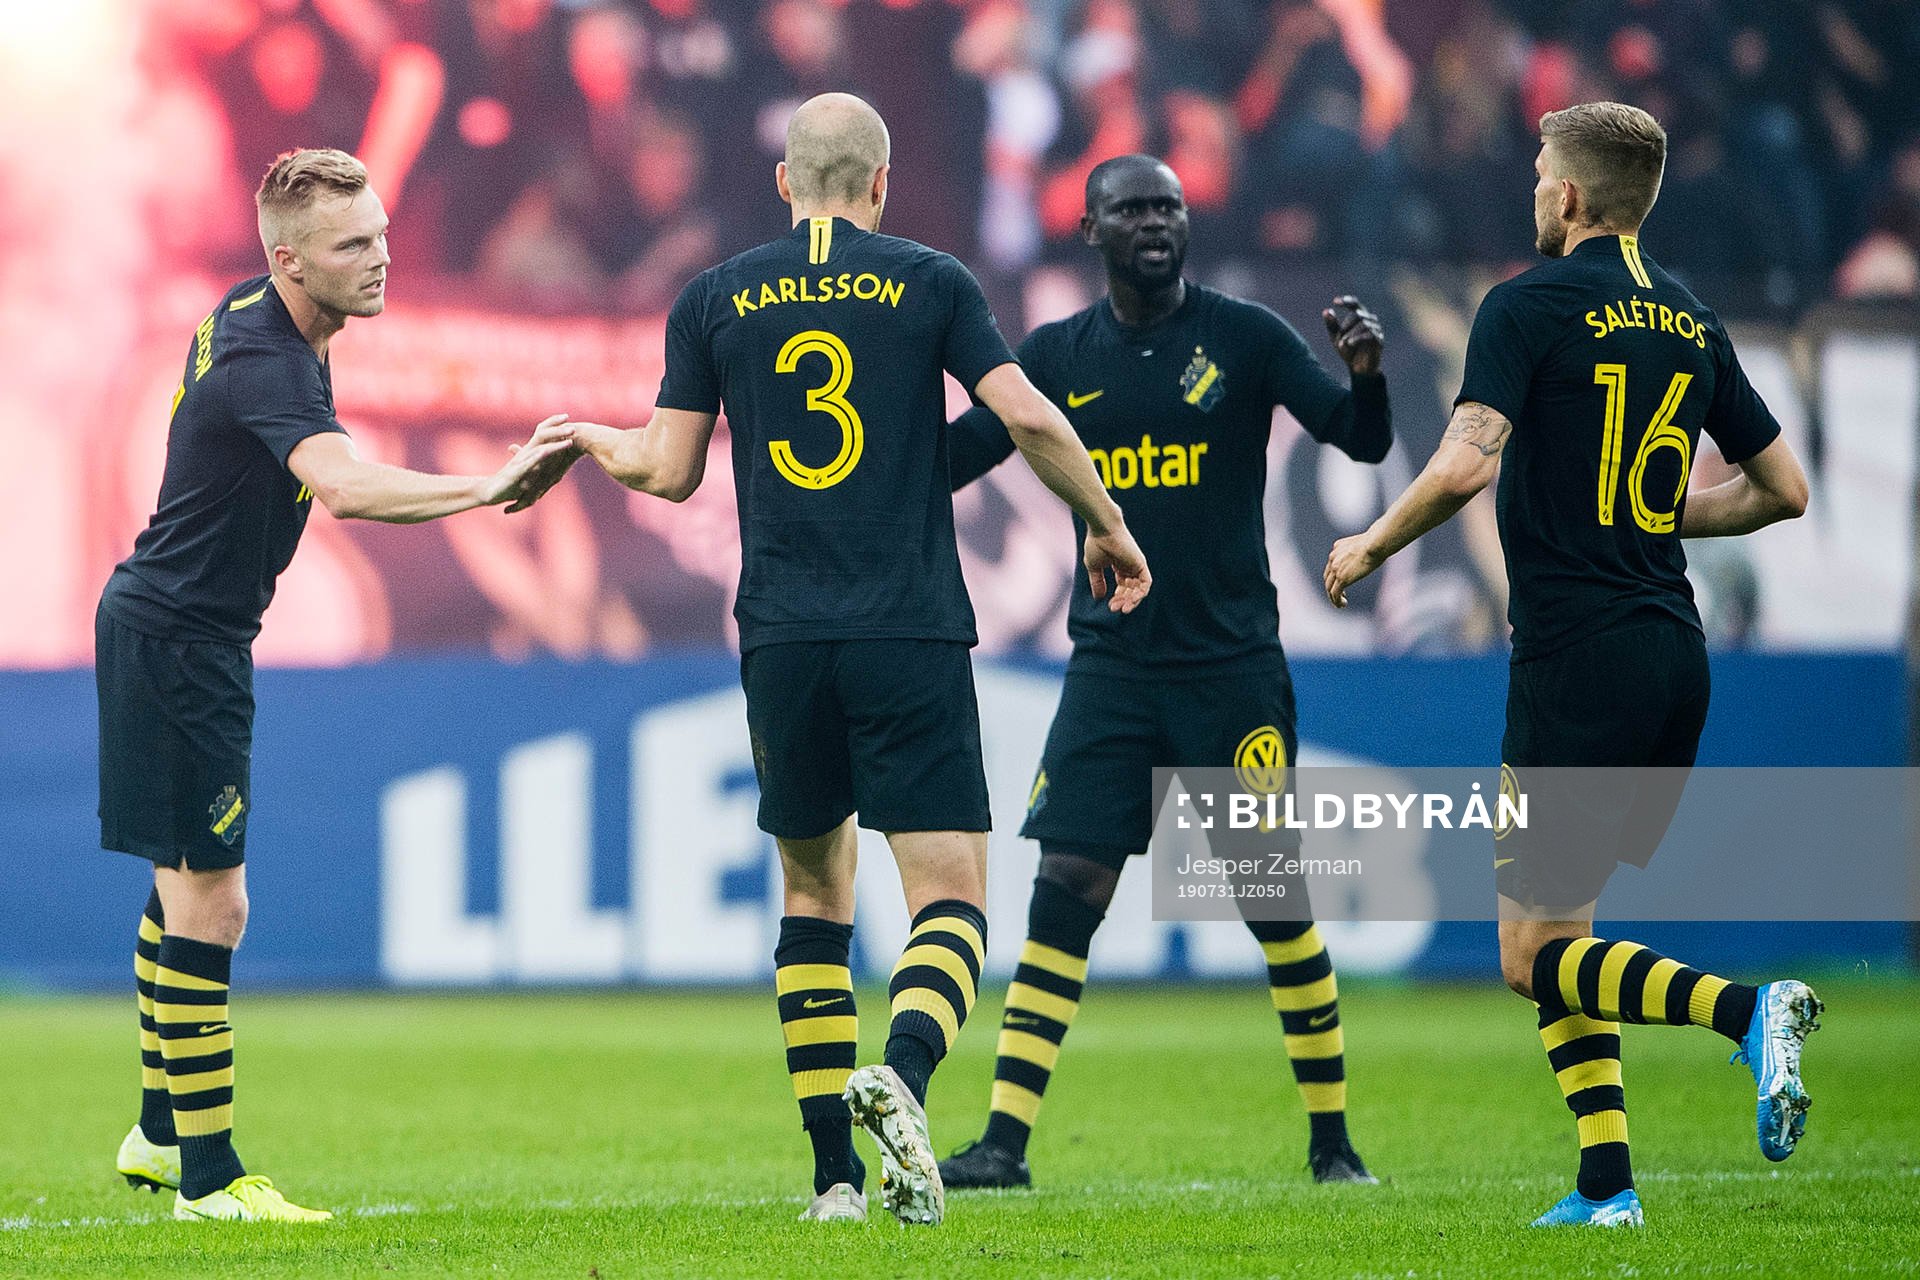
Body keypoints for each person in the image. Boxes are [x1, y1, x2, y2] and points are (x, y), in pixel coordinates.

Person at [560, 94, 1150, 1227]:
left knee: (812, 896)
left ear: (785, 184)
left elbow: (671, 469)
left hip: (781, 633)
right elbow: (1024, 417)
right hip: (907, 627)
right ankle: (908, 1075)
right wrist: (1107, 519)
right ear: (879, 185)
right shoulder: (931, 281)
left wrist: (592, 439)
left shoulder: (714, 294)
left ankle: (834, 1179)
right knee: (951, 900)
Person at [1322, 102, 1817, 1229]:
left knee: (1526, 953)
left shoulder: (1527, 302)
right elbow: (1785, 487)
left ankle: (1749, 1012)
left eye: (1543, 170)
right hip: (1669, 650)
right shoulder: (1691, 319)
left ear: (1573, 198)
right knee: (1566, 936)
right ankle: (1607, 1186)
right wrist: (1658, 517)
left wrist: (1368, 543)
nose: (1534, 185)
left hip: (1575, 654)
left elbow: (1461, 466)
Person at [103, 147, 573, 1223]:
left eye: (383, 233)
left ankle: (159, 1129)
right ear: (288, 258)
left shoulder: (273, 318)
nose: (382, 259)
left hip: (187, 634)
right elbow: (347, 488)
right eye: (353, 244)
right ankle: (212, 1181)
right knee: (213, 903)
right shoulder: (269, 353)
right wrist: (489, 482)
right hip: (178, 642)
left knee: (179, 885)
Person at [937, 154, 1390, 1192]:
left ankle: (1334, 1142)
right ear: (1091, 229)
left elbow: (1361, 441)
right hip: (1111, 666)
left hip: (1229, 668)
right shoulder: (1055, 354)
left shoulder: (1245, 338)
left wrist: (1367, 375)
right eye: (1132, 208)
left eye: (1169, 207)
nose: (1154, 222)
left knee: (1273, 900)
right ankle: (1004, 1143)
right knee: (1064, 888)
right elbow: (955, 457)